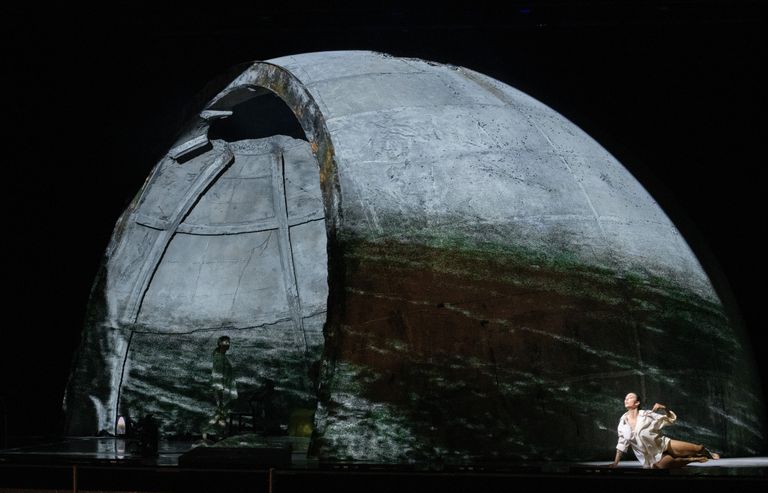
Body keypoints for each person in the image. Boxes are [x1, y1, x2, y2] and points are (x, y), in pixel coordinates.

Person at [609, 392, 720, 469]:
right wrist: (615, 463)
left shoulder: (647, 414)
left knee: (698, 448)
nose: (626, 399)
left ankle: (708, 453)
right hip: (651, 457)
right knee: (664, 466)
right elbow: (621, 444)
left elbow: (669, 420)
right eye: (625, 398)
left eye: (630, 397)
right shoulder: (623, 423)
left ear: (637, 403)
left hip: (664, 444)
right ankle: (693, 459)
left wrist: (664, 408)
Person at [203, 335, 238, 440]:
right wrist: (219, 390)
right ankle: (209, 431)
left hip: (225, 390)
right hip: (222, 390)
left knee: (221, 414)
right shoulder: (219, 357)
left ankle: (216, 433)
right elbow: (217, 374)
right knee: (220, 414)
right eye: (225, 342)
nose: (228, 344)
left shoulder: (222, 356)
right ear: (220, 343)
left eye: (228, 342)